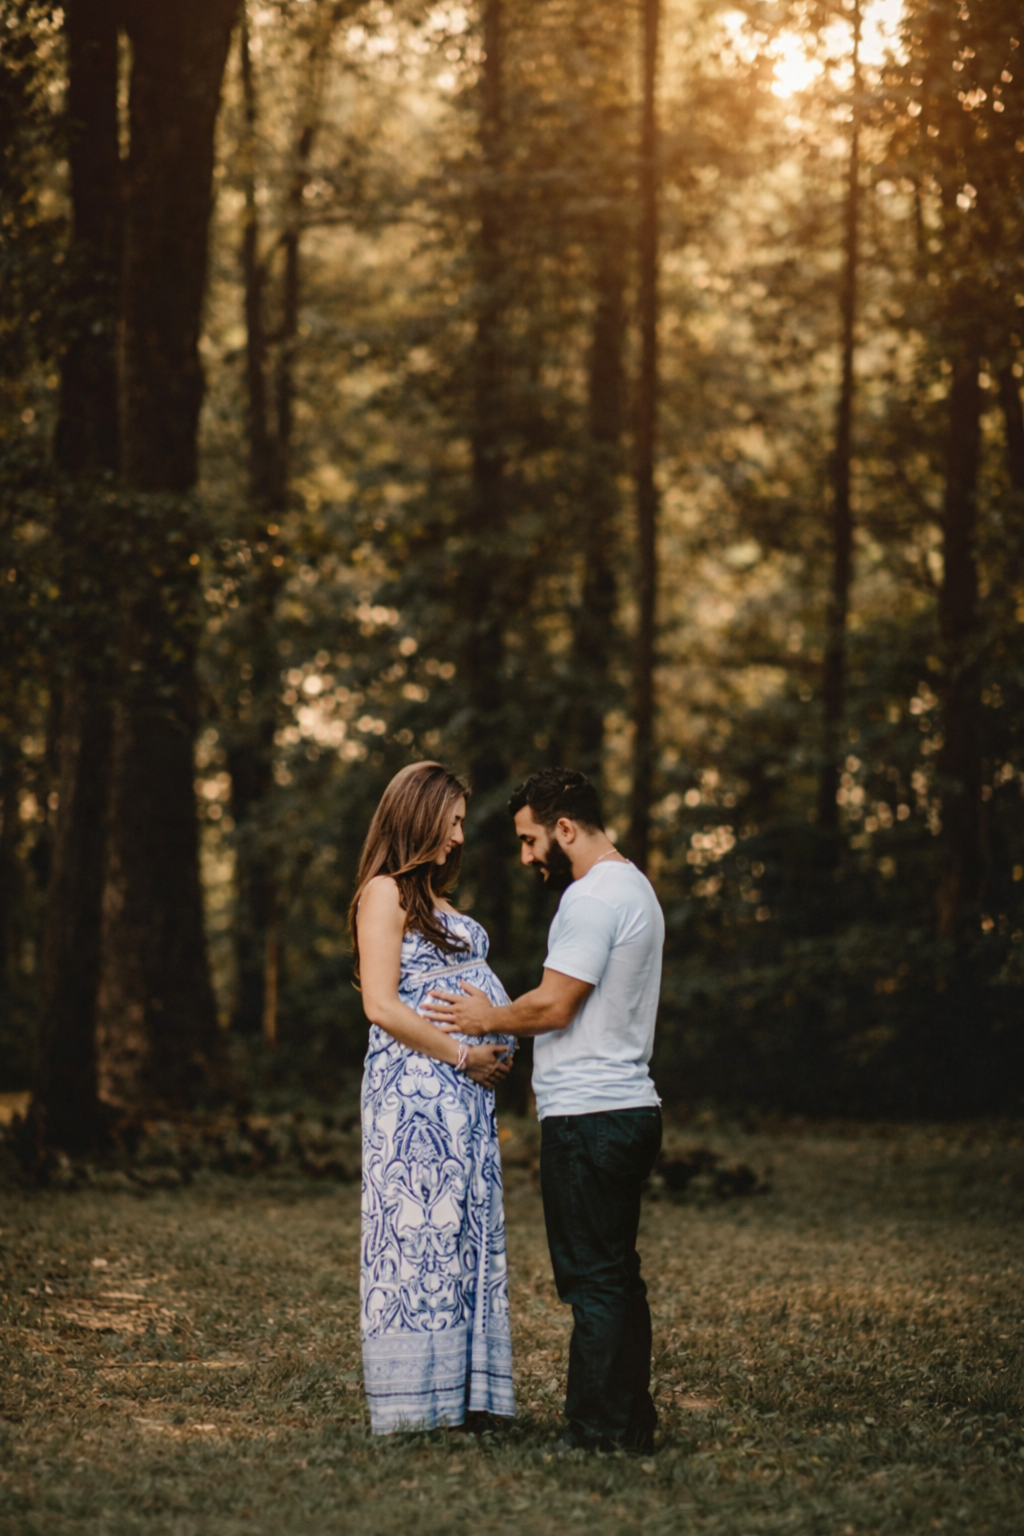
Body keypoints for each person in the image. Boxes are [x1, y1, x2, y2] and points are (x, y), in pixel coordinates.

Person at [424, 768, 665, 1454]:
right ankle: (629, 1420)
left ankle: (597, 1431)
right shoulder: (634, 886)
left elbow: (555, 1004)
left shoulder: (592, 898)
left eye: (531, 840)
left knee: (592, 1279)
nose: (528, 857)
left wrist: (484, 1015)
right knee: (616, 1272)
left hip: (591, 1117)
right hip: (623, 1108)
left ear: (565, 829)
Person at [350, 761, 516, 1435]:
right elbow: (382, 1005)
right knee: (418, 1241)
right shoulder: (383, 894)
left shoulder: (435, 904)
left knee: (463, 1240)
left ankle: (466, 1393)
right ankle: (417, 1402)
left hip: (466, 1104)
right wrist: (464, 1054)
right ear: (419, 818)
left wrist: (490, 1043)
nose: (459, 837)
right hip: (414, 1101)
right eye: (451, 822)